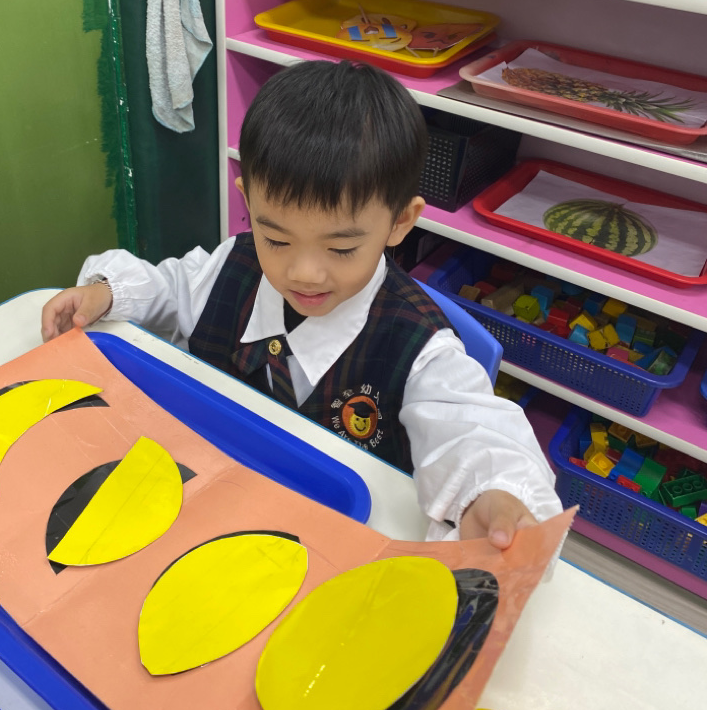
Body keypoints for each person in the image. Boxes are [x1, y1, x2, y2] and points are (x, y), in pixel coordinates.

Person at [42, 60, 561, 548]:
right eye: (276, 239)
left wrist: (494, 494)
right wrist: (107, 292)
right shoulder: (233, 266)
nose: (303, 273)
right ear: (248, 201)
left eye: (341, 248)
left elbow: (471, 428)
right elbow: (170, 289)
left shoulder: (420, 348)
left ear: (400, 222)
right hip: (206, 508)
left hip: (332, 544)